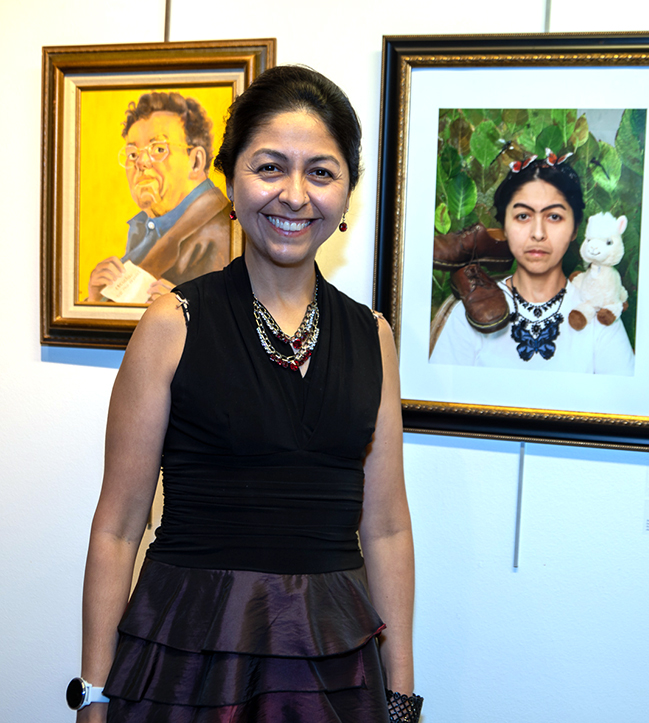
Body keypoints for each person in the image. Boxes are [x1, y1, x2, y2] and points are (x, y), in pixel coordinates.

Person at [70, 66, 421, 723]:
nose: (294, 195)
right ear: (231, 179)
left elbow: (388, 527)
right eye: (270, 167)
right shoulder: (173, 322)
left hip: (331, 669)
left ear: (347, 191)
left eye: (320, 171)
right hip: (188, 658)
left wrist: (400, 698)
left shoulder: (372, 337)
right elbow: (117, 528)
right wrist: (94, 694)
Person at [430, 154, 635, 375]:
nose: (538, 234)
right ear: (504, 227)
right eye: (523, 216)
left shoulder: (597, 314)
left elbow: (625, 403)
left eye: (554, 216)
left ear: (576, 229)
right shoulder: (468, 314)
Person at [87, 91, 230, 303]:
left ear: (196, 162)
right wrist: (95, 302)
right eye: (133, 154)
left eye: (159, 149)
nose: (141, 162)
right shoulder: (144, 228)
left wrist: (187, 311)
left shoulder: (221, 232)